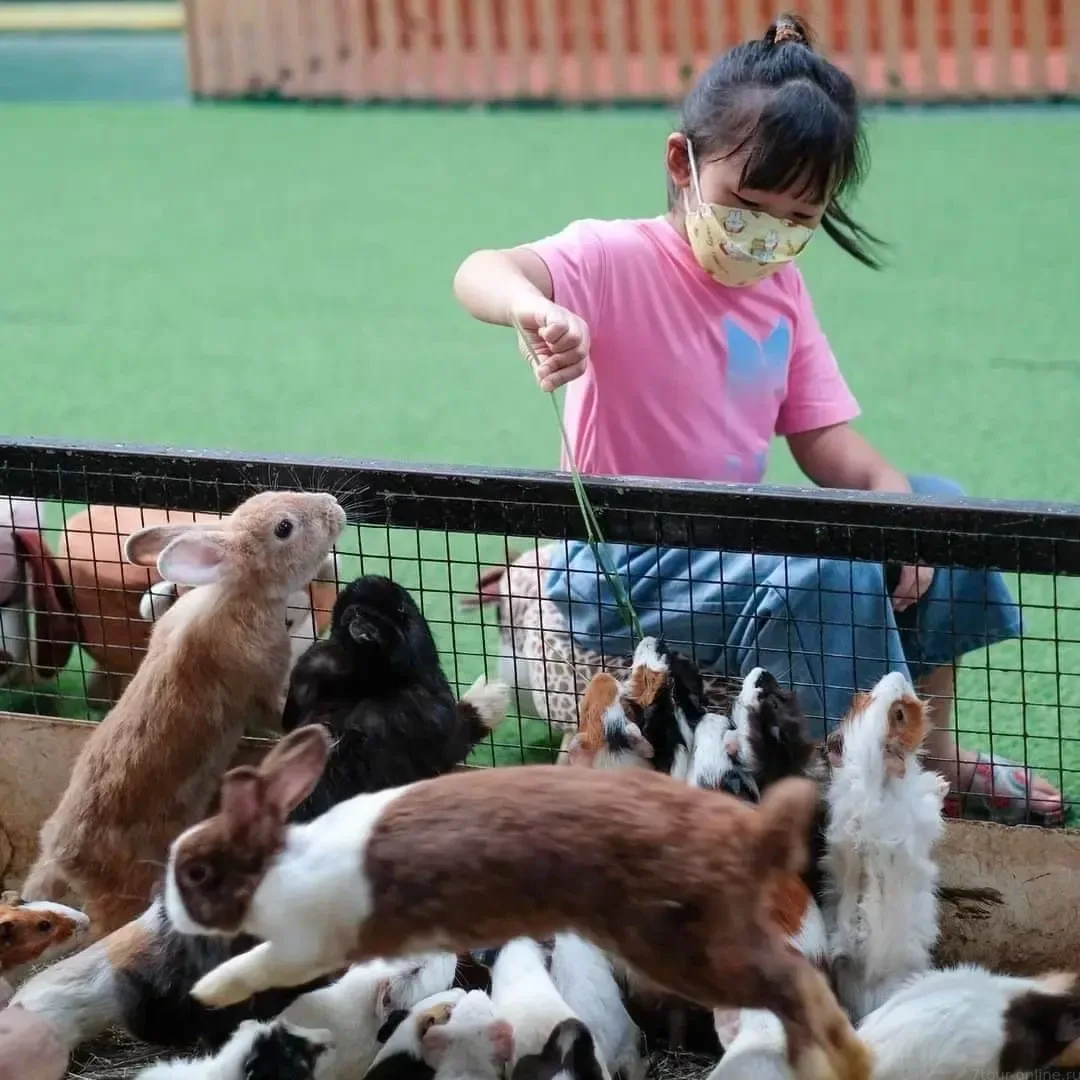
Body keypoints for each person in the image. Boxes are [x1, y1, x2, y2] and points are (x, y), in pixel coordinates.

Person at [453, 14, 1062, 824]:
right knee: (832, 569)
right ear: (683, 162)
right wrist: (533, 310)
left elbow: (827, 444)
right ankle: (833, 776)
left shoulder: (782, 292)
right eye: (746, 205)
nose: (766, 235)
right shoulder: (613, 255)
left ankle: (934, 756)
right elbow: (482, 269)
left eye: (798, 219)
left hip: (731, 540)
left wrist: (903, 510)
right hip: (624, 563)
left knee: (939, 507)